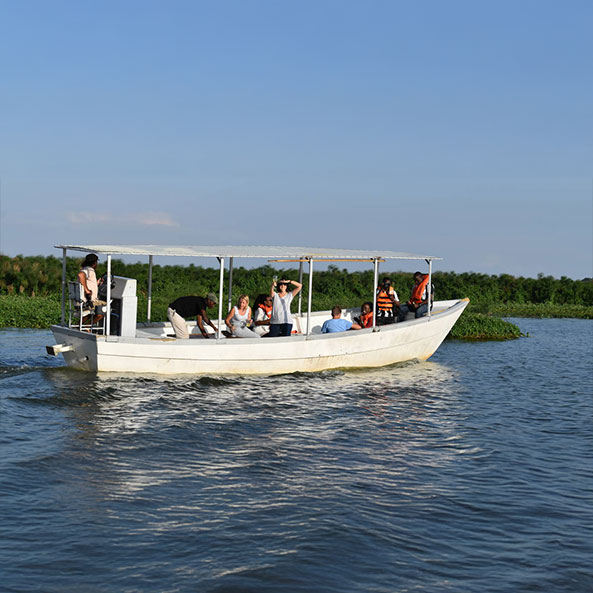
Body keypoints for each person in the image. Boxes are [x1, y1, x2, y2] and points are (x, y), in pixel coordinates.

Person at [77, 253, 106, 327]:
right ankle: (88, 327)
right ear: (94, 263)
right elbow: (81, 275)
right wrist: (86, 290)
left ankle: (78, 326)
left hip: (84, 301)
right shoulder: (89, 270)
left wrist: (97, 284)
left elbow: (88, 281)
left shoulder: (86, 269)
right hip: (88, 302)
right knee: (104, 309)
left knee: (91, 313)